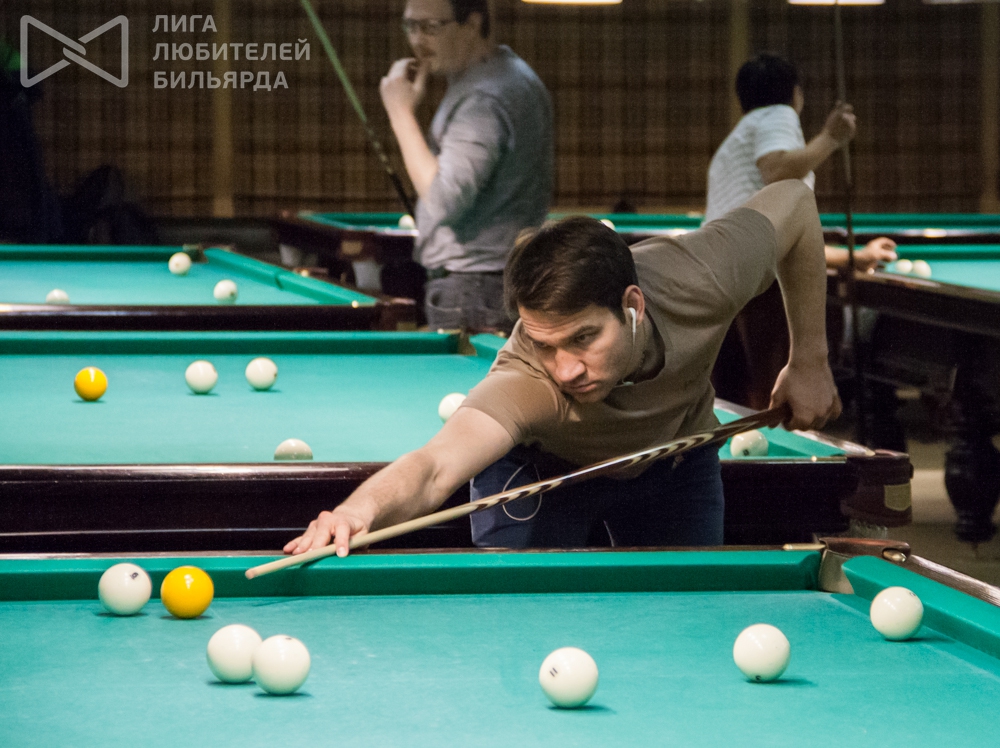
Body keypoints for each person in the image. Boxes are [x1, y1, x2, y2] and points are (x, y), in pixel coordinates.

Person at [285, 179, 841, 557]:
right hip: (543, 475)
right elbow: (433, 467)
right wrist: (355, 513)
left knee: (689, 620)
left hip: (674, 460)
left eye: (583, 338)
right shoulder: (530, 379)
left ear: (632, 305)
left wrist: (810, 359)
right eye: (546, 344)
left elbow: (795, 202)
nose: (566, 369)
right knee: (520, 625)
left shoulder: (701, 276)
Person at [705, 52, 897, 416]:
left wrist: (852, 257)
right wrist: (830, 138)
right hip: (758, 284)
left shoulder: (739, 137)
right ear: (795, 93)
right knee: (775, 405)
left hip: (723, 276)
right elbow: (777, 172)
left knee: (738, 402)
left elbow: (774, 234)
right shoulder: (778, 115)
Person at [380, 0, 554, 331]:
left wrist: (399, 113)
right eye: (410, 26)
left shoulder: (484, 98)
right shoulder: (509, 73)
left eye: (431, 27)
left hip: (473, 288)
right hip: (488, 282)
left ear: (472, 24)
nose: (417, 40)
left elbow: (444, 200)